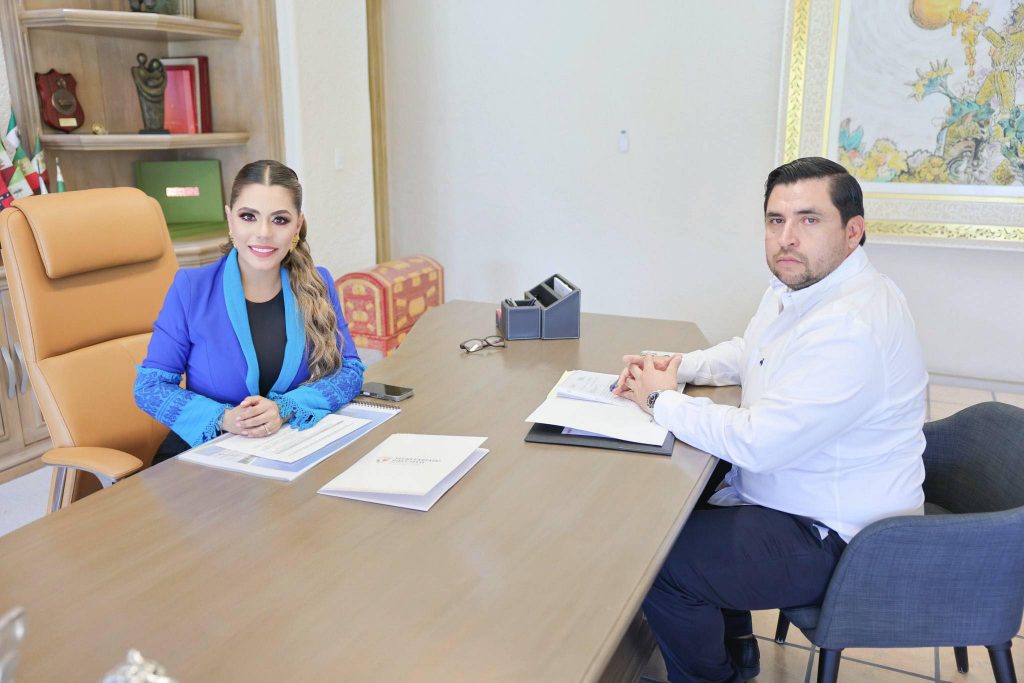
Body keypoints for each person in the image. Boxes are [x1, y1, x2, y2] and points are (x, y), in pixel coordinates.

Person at [613, 157, 927, 683]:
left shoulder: (851, 325)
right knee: (668, 505)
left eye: (809, 220)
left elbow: (759, 444)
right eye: (775, 220)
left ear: (853, 231)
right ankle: (737, 649)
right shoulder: (800, 286)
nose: (787, 238)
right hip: (799, 494)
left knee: (658, 562)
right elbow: (751, 351)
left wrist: (661, 400)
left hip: (838, 536)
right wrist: (675, 366)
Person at [135, 159, 365, 464]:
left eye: (279, 220)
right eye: (248, 216)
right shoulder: (191, 288)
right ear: (230, 219)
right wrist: (224, 418)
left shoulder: (318, 283)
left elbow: (349, 371)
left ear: (297, 225)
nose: (263, 233)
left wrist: (286, 407)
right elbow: (150, 387)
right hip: (206, 455)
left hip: (287, 451)